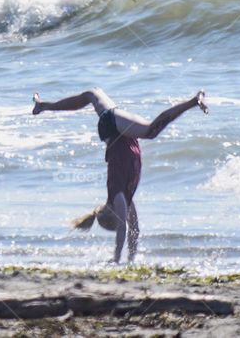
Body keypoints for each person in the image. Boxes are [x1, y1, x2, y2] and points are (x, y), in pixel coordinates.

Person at [32, 87, 208, 263]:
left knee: (149, 130)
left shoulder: (116, 193)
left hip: (111, 127)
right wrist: (131, 259)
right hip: (120, 132)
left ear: (112, 213)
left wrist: (116, 258)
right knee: (93, 94)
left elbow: (123, 228)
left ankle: (193, 102)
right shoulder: (125, 198)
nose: (123, 216)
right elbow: (134, 229)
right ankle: (42, 106)